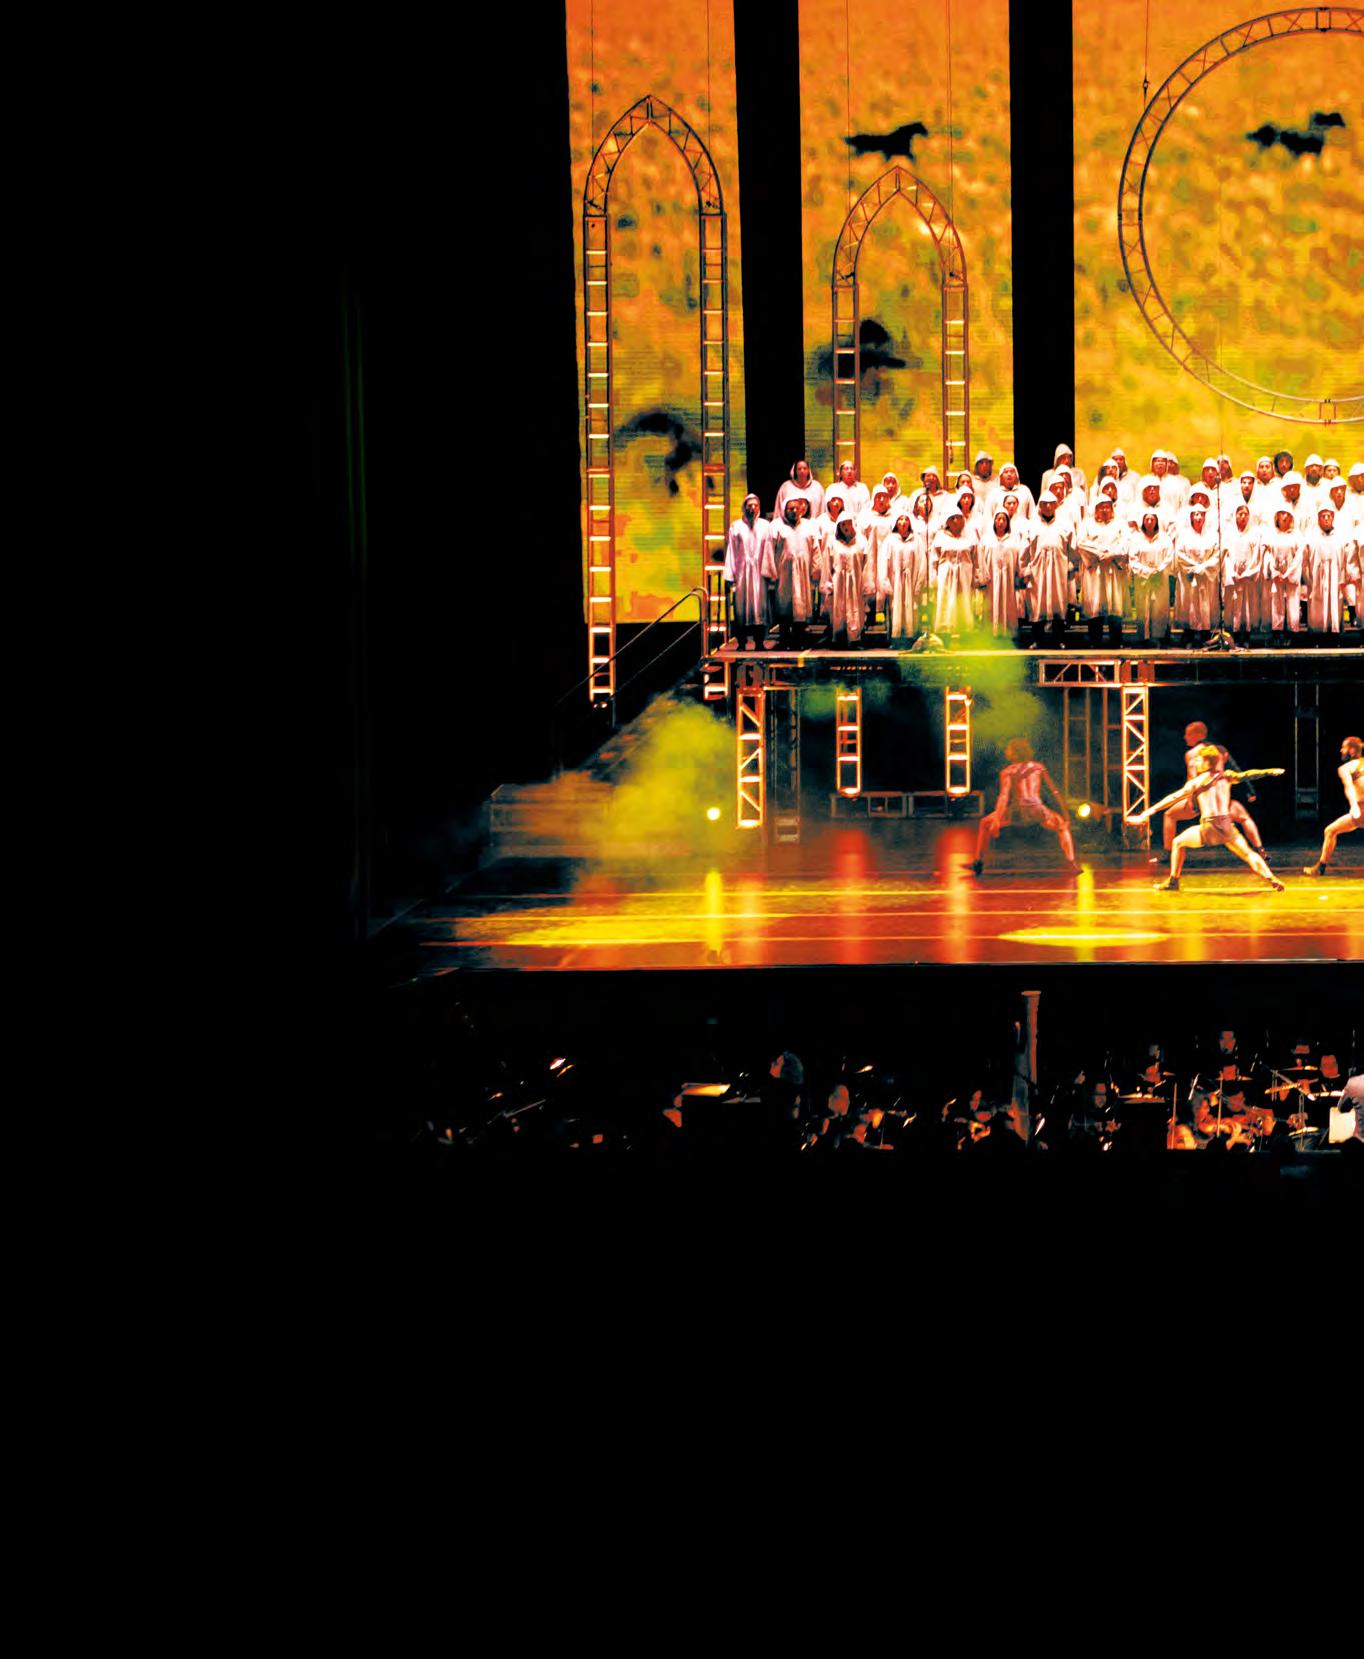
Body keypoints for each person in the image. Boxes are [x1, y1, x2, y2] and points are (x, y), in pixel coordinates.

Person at [1135, 743, 1284, 892]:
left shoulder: (1198, 781)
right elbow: (1248, 775)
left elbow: (1173, 797)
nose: (1196, 763)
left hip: (1210, 826)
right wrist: (1270, 771)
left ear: (1207, 762)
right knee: (1248, 853)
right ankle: (1271, 878)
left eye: (1199, 760)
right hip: (1226, 825)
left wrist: (1147, 812)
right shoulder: (1226, 776)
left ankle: (1173, 882)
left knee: (1178, 842)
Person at [969, 736, 1080, 877]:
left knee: (984, 823)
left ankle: (978, 861)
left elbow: (1004, 796)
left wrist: (996, 819)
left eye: (1009, 749)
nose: (1006, 752)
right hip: (1037, 809)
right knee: (1062, 827)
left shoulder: (1008, 771)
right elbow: (1055, 791)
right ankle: (1071, 863)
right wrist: (1065, 814)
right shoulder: (1038, 767)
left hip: (1018, 810)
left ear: (1015, 753)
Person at [1303, 735, 1362, 877]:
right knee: (1330, 831)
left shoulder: (1346, 768)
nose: (1341, 750)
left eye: (1344, 747)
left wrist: (1354, 805)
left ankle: (1320, 868)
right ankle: (1320, 867)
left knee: (1330, 831)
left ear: (1352, 750)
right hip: (1361, 809)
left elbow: (1349, 787)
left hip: (1361, 809)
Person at [724, 493, 777, 649]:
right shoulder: (736, 527)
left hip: (760, 573)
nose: (752, 508)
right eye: (749, 505)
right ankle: (741, 642)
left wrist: (770, 573)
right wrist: (730, 575)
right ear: (744, 507)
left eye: (755, 505)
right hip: (742, 574)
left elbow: (769, 550)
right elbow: (731, 551)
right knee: (741, 608)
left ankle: (759, 642)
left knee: (759, 608)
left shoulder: (765, 526)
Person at [1019, 489, 1072, 644]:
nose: (1048, 507)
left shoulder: (1064, 525)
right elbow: (1024, 550)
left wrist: (1071, 566)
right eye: (1044, 504)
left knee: (1058, 603)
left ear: (1055, 505)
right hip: (1038, 570)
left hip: (1058, 569)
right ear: (1040, 506)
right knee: (1038, 604)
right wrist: (1025, 569)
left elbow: (1072, 548)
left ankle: (1059, 639)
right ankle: (1037, 640)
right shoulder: (1032, 525)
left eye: (1051, 504)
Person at [1077, 494, 1128, 646]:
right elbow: (1081, 543)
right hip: (1095, 570)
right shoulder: (1086, 524)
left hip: (1113, 569)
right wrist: (1099, 553)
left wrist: (1112, 554)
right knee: (1095, 604)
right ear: (1096, 509)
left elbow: (1126, 543)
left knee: (1115, 605)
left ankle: (1116, 642)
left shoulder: (1120, 524)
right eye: (1101, 507)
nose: (1105, 510)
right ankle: (1095, 641)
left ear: (1112, 509)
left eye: (1107, 507)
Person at [771, 496, 815, 646]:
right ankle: (784, 640)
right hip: (784, 573)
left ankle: (799, 639)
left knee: (800, 605)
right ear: (785, 509)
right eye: (791, 508)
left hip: (803, 572)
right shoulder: (777, 526)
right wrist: (771, 572)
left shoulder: (808, 526)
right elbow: (770, 551)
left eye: (796, 508)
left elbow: (815, 549)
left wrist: (815, 569)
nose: (794, 511)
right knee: (785, 605)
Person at [979, 507, 1026, 637]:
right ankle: (991, 631)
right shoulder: (986, 540)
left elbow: (1019, 559)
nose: (1001, 522)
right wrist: (983, 577)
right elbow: (980, 559)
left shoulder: (1013, 540)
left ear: (1007, 523)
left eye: (1004, 520)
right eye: (998, 519)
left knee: (1007, 603)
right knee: (991, 603)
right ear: (994, 521)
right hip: (991, 579)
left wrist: (1019, 575)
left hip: (1007, 578)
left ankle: (1007, 631)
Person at [1128, 509, 1173, 645]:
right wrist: (1146, 572)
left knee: (1159, 608)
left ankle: (1159, 637)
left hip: (1160, 579)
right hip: (1142, 580)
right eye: (1146, 519)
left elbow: (1169, 557)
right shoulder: (1136, 539)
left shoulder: (1165, 538)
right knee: (1143, 608)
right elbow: (1133, 559)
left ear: (1156, 521)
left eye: (1152, 519)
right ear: (1142, 521)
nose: (1149, 522)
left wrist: (1158, 570)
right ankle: (1143, 638)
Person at [931, 508, 978, 637]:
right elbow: (934, 559)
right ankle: (945, 629)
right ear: (947, 521)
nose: (956, 521)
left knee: (963, 600)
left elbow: (976, 557)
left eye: (959, 517)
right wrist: (933, 578)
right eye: (953, 518)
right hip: (946, 573)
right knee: (946, 600)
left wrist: (977, 577)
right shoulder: (940, 537)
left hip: (964, 573)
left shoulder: (970, 535)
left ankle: (964, 630)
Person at [1301, 503, 1346, 634]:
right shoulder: (1311, 537)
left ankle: (1334, 634)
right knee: (1317, 608)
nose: (1326, 518)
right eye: (1323, 516)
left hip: (1334, 577)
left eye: (1329, 515)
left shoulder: (1340, 537)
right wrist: (1308, 579)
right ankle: (1317, 634)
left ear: (1333, 517)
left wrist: (1343, 579)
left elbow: (1344, 559)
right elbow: (1304, 560)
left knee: (1334, 606)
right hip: (1317, 579)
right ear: (1318, 518)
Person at [773, 457, 824, 524]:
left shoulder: (817, 487)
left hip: (813, 525)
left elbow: (822, 509)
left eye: (805, 468)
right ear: (795, 471)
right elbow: (779, 509)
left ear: (808, 470)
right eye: (799, 469)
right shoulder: (786, 487)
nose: (802, 471)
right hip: (789, 526)